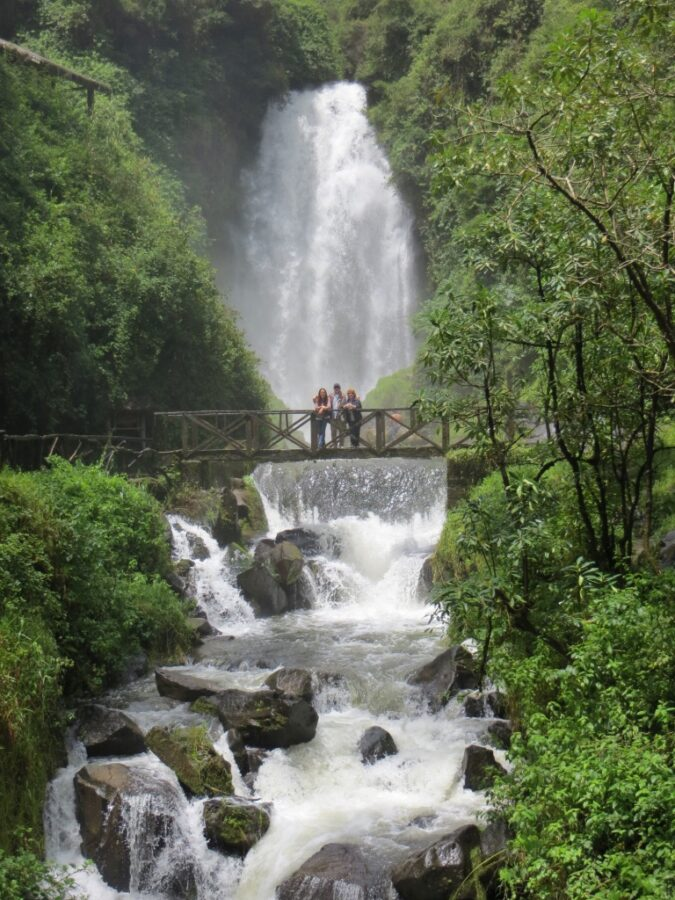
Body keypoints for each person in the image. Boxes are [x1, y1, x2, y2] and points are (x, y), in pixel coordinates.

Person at [329, 383, 346, 447]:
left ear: (339, 388)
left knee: (341, 431)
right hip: (332, 415)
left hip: (340, 415)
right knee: (333, 431)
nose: (336, 389)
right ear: (334, 388)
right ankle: (334, 445)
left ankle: (341, 445)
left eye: (337, 387)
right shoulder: (330, 396)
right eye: (335, 388)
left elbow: (344, 404)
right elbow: (327, 403)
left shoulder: (343, 396)